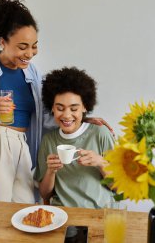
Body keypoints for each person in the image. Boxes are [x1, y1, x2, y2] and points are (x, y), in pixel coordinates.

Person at [0, 0, 112, 203]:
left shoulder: (33, 74)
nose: (30, 53)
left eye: (34, 46)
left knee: (25, 211)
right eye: (23, 46)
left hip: (23, 148)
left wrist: (83, 119)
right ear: (2, 41)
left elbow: (46, 117)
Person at [34, 67, 115, 208]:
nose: (66, 115)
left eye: (73, 109)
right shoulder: (49, 140)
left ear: (84, 107)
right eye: (60, 108)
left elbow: (119, 188)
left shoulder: (100, 133)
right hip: (62, 215)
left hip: (99, 214)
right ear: (52, 108)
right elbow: (45, 194)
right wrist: (50, 171)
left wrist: (101, 163)